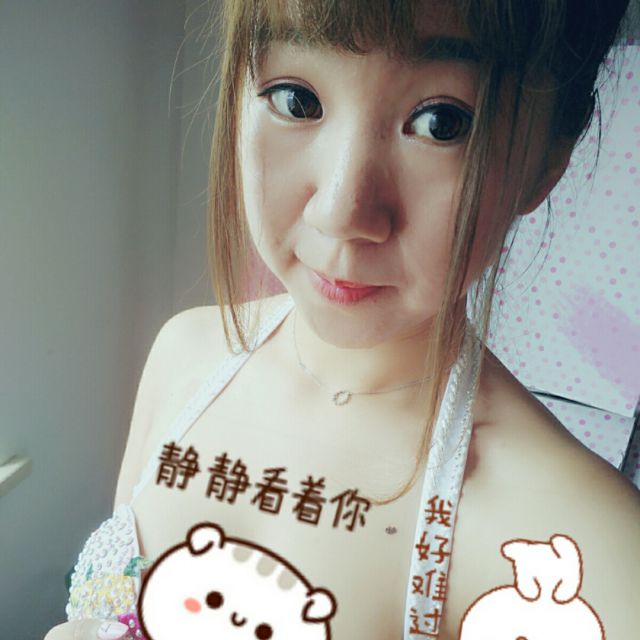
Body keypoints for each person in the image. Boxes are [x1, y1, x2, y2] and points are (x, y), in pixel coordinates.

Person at [45, 1, 640, 639]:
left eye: (442, 123)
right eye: (296, 100)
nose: (340, 211)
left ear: (549, 160)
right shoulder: (184, 353)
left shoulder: (577, 549)